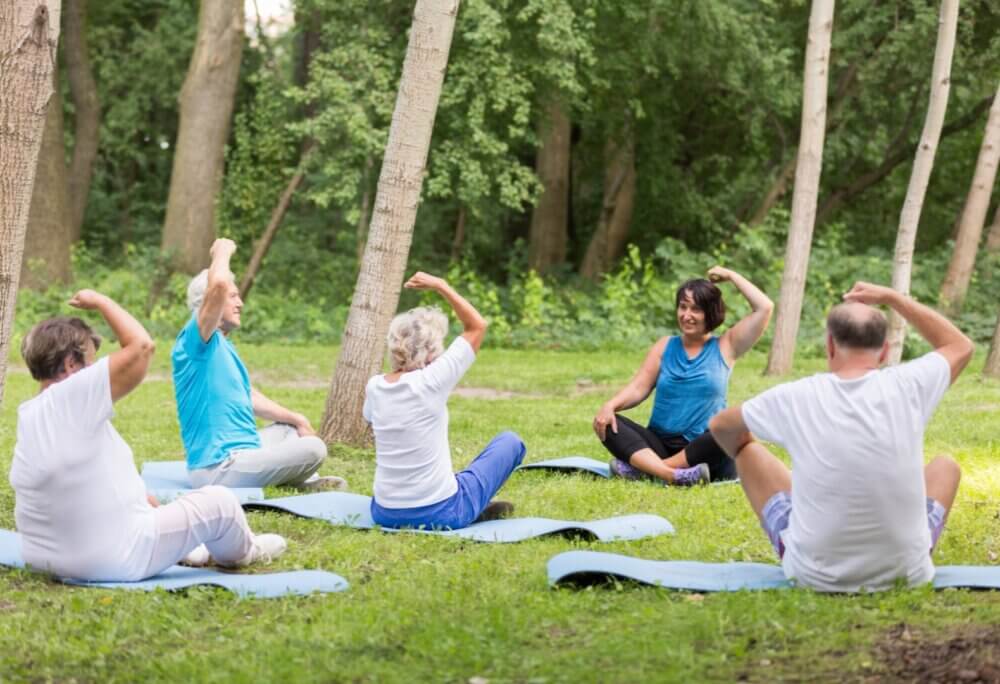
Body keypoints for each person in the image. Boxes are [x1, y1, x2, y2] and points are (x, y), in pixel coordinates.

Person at [709, 282, 973, 593]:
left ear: (830, 346)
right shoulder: (910, 384)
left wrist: (742, 447)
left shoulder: (796, 396)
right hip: (908, 574)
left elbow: (720, 426)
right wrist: (893, 298)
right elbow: (961, 346)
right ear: (885, 351)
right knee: (946, 467)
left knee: (749, 453)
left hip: (813, 576)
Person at [10, 291, 286, 582]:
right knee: (220, 503)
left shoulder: (31, 413)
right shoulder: (73, 393)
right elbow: (141, 347)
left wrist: (149, 503)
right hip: (109, 559)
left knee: (154, 504)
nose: (96, 369)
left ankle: (186, 550)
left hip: (44, 558)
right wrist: (102, 302)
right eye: (91, 361)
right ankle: (244, 552)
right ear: (70, 364)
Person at [171, 238, 346, 491]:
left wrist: (297, 418)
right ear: (210, 303)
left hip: (246, 452)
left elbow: (247, 396)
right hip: (220, 468)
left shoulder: (222, 346)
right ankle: (301, 482)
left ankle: (300, 480)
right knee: (314, 449)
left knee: (290, 430)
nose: (240, 304)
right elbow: (218, 285)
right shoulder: (195, 341)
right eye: (232, 297)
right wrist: (222, 251)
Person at [363, 272, 526, 529]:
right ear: (431, 352)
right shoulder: (433, 380)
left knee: (456, 479)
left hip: (384, 512)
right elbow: (477, 326)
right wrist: (440, 286)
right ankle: (469, 508)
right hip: (440, 513)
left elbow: (371, 421)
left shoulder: (375, 386)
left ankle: (466, 500)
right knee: (511, 442)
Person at [593, 266, 773, 486]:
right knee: (611, 423)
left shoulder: (727, 345)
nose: (687, 315)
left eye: (696, 309)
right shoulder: (664, 346)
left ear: (710, 312)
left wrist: (731, 276)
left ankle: (650, 470)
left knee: (729, 430)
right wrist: (610, 406)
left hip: (704, 448)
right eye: (683, 307)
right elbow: (638, 388)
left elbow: (764, 307)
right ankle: (671, 474)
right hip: (660, 443)